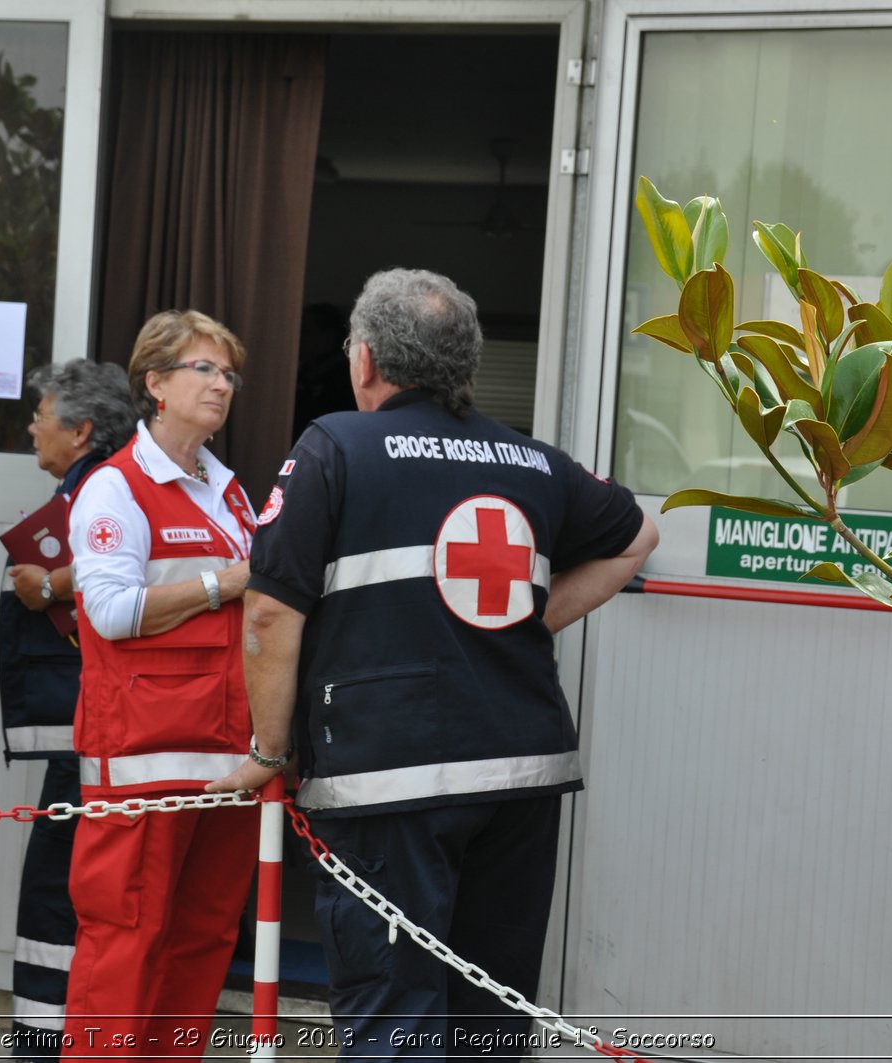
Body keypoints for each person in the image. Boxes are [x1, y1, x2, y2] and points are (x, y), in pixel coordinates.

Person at [209, 268, 659, 1059]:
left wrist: (269, 751)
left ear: (368, 361)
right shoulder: (532, 460)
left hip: (389, 774)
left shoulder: (334, 446)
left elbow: (271, 609)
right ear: (466, 366)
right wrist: (525, 620)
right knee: (490, 1010)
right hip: (521, 773)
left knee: (395, 1015)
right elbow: (637, 536)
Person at [63, 310, 259, 1057]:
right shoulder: (116, 488)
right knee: (125, 946)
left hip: (228, 761)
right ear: (155, 384)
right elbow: (110, 614)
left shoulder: (230, 491)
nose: (221, 384)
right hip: (145, 759)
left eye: (228, 373)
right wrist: (226, 581)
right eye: (203, 369)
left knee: (203, 941)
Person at [0, 359, 134, 1059]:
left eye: (41, 415)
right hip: (88, 736)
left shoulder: (106, 493)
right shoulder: (93, 488)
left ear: (80, 431)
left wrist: (49, 586)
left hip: (96, 738)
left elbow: (130, 573)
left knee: (58, 893)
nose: (31, 426)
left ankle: (45, 1046)